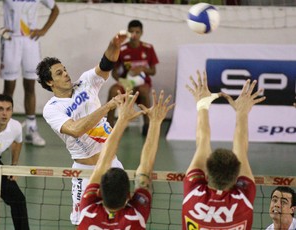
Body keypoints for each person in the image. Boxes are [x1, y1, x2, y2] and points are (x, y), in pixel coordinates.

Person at [36, 31, 129, 227]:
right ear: (49, 82)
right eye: (59, 73)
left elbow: (106, 64)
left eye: (65, 69)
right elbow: (75, 129)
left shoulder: (86, 82)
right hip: (85, 172)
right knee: (84, 222)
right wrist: (108, 106)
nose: (66, 74)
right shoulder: (52, 109)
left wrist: (114, 44)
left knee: (122, 216)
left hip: (112, 162)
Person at [78, 89, 174, 229]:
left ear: (99, 193)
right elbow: (145, 168)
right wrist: (155, 121)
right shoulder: (136, 216)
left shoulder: (87, 209)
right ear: (128, 196)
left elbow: (103, 162)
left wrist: (121, 119)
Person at [182, 70, 266, 230]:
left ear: (206, 172)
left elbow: (202, 141)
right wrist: (242, 112)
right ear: (236, 176)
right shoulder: (244, 199)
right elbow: (240, 146)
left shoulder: (193, 194)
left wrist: (203, 104)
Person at [0, 0, 59, 147]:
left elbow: (55, 10)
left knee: (30, 86)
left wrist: (43, 30)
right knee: (9, 88)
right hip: (11, 40)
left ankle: (31, 130)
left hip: (30, 41)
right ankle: (3, 131)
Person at [106, 19, 159, 136]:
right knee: (113, 90)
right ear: (128, 33)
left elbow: (153, 71)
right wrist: (123, 82)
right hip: (127, 84)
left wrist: (142, 69)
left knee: (144, 91)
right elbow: (114, 72)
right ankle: (108, 125)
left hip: (142, 84)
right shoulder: (121, 49)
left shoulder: (148, 48)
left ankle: (147, 125)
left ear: (141, 33)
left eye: (137, 32)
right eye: (131, 32)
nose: (134, 35)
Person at [0, 94, 30, 229]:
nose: (4, 113)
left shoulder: (15, 127)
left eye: (8, 109)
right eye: (0, 109)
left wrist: (14, 166)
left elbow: (17, 142)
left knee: (18, 200)